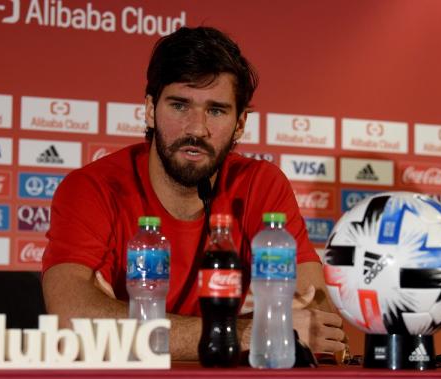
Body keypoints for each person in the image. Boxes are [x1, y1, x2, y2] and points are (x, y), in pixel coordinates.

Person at [42, 26, 346, 361]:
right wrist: (248, 333)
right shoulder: (93, 188)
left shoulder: (261, 184)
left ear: (240, 124)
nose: (196, 129)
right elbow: (71, 322)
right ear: (149, 110)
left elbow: (316, 318)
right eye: (179, 105)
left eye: (216, 110)